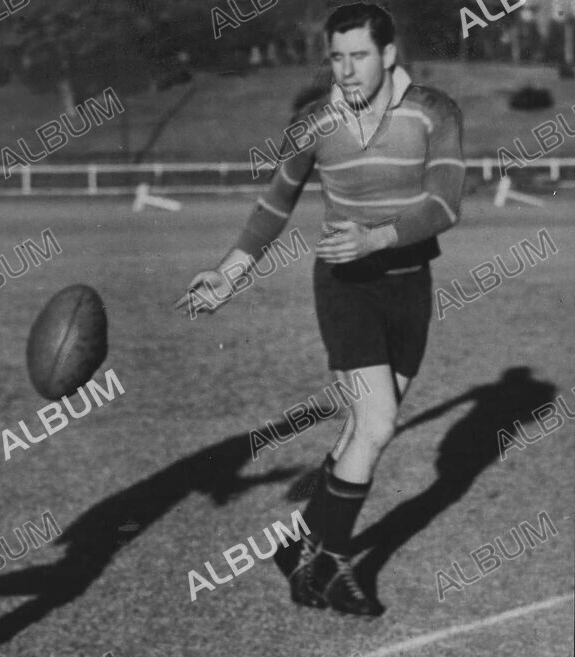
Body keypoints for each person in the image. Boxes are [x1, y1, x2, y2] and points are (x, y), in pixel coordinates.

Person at [180, 3, 465, 616]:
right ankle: (329, 568)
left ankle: (300, 542)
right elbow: (273, 207)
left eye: (359, 55)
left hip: (409, 287)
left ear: (389, 55)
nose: (347, 68)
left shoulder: (434, 111)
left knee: (365, 429)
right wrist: (230, 275)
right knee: (379, 424)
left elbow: (444, 205)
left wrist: (378, 236)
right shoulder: (314, 124)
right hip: (346, 286)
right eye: (337, 57)